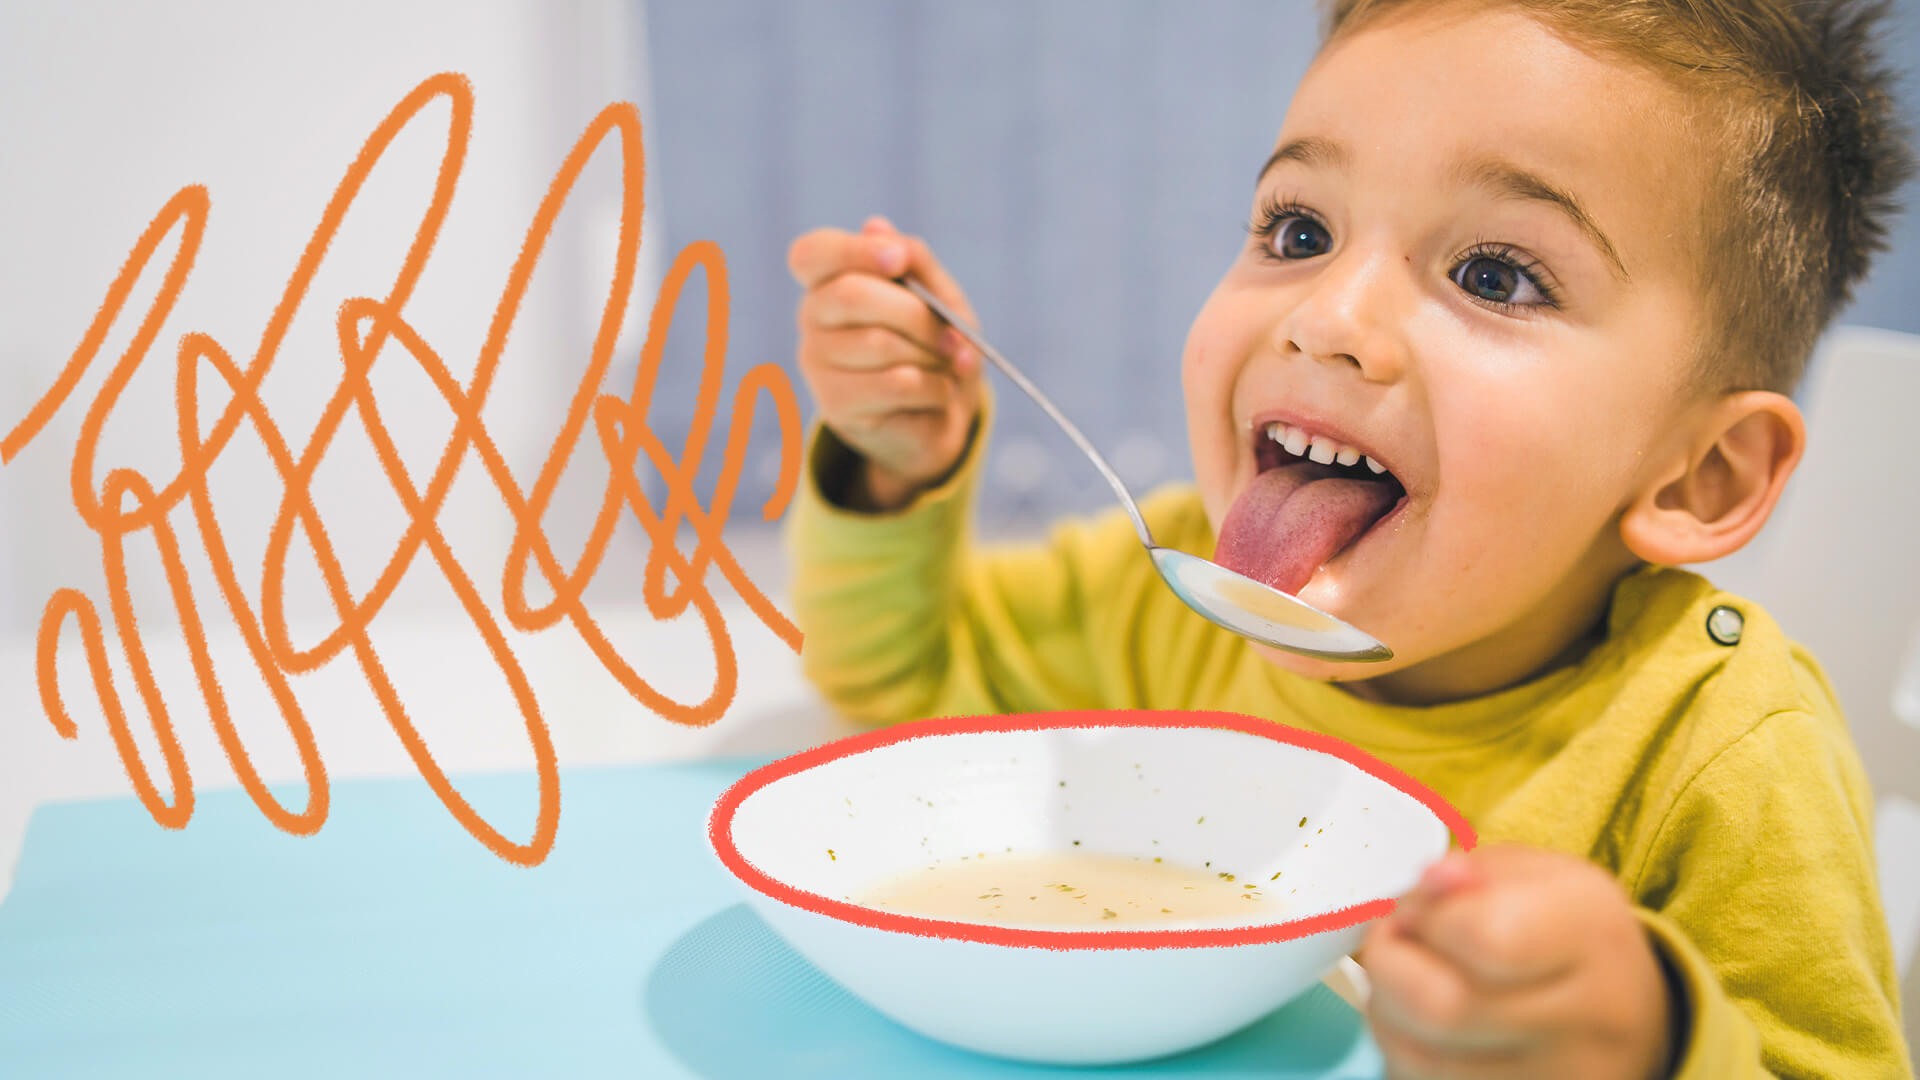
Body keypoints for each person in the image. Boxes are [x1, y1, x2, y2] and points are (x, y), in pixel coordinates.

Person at [782, 0, 1915, 1074]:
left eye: (1495, 275)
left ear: (1699, 475)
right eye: (1299, 228)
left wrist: (1655, 1042)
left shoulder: (1722, 752)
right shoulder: (1168, 591)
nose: (1326, 319)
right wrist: (890, 468)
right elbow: (905, 685)